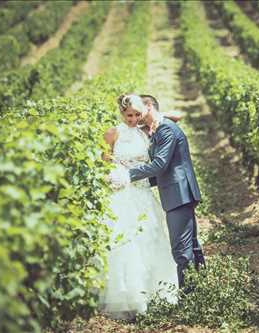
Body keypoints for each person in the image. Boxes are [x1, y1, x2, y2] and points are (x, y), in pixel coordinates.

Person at [109, 93, 204, 290]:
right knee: (190, 245)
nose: (137, 119)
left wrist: (128, 176)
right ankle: (200, 291)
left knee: (181, 248)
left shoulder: (166, 129)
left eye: (139, 113)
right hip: (173, 193)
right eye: (131, 115)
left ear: (148, 107)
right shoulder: (156, 128)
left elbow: (160, 164)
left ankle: (189, 296)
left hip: (179, 194)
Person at [99, 94, 178, 320]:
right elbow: (102, 156)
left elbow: (175, 117)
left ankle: (155, 295)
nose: (132, 119)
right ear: (121, 114)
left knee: (150, 237)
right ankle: (130, 297)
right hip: (122, 192)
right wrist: (113, 167)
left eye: (136, 115)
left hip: (142, 191)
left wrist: (150, 114)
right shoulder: (113, 132)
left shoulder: (145, 130)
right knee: (125, 242)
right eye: (128, 115)